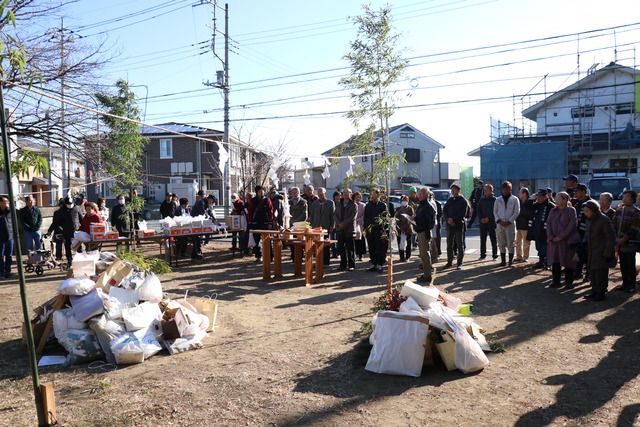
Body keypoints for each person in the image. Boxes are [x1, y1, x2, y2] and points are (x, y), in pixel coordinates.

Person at [583, 200, 616, 301]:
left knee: (600, 272)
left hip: (601, 251)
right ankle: (594, 290)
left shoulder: (604, 220)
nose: (585, 213)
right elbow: (586, 233)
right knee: (592, 271)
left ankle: (601, 292)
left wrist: (607, 253)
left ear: (593, 211)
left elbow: (611, 237)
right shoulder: (589, 219)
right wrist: (584, 243)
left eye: (587, 211)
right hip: (592, 251)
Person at [546, 192, 580, 289]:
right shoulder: (553, 211)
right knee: (555, 260)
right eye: (556, 198)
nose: (556, 201)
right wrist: (551, 236)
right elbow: (548, 223)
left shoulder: (571, 210)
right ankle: (555, 280)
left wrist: (561, 237)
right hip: (554, 241)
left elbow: (572, 225)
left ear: (565, 200)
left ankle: (569, 281)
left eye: (559, 199)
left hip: (566, 241)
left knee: (569, 261)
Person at [612, 190, 640, 293]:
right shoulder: (619, 210)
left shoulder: (636, 212)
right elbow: (613, 224)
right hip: (619, 242)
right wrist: (615, 237)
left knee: (630, 264)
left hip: (629, 243)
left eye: (627, 197)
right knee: (623, 264)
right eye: (623, 197)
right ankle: (625, 283)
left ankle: (631, 285)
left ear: (632, 199)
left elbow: (635, 228)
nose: (624, 199)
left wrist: (624, 238)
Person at [493, 181, 520, 267]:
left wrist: (509, 221)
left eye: (506, 189)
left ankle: (510, 262)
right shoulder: (498, 200)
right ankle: (503, 261)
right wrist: (498, 220)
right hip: (500, 224)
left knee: (511, 243)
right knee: (501, 243)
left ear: (510, 189)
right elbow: (495, 211)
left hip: (510, 224)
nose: (505, 191)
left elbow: (517, 211)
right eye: (503, 189)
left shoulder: (515, 199)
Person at [443, 184, 469, 269]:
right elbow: (444, 211)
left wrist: (453, 220)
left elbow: (463, 214)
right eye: (452, 190)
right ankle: (449, 262)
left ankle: (459, 263)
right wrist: (448, 219)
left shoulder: (463, 201)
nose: (452, 191)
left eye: (454, 189)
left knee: (459, 244)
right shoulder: (450, 200)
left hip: (458, 225)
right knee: (449, 245)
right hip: (449, 225)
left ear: (459, 190)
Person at [529, 189, 555, 269]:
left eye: (540, 197)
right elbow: (527, 207)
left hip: (545, 230)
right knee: (539, 247)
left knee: (546, 247)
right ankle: (540, 262)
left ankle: (547, 263)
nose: (538, 198)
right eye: (538, 197)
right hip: (537, 228)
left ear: (545, 197)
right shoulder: (537, 205)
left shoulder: (551, 206)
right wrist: (531, 199)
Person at [414, 188, 436, 282]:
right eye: (419, 193)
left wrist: (415, 220)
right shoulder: (421, 205)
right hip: (420, 231)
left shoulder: (427, 206)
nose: (420, 195)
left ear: (427, 195)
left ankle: (427, 275)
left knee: (425, 254)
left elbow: (428, 221)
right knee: (422, 254)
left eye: (422, 193)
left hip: (424, 231)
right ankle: (426, 273)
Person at [571, 183, 592, 281]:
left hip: (586, 232)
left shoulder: (590, 202)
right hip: (576, 232)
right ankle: (577, 272)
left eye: (577, 191)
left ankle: (588, 274)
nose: (575, 193)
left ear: (583, 192)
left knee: (587, 254)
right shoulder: (576, 202)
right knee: (578, 253)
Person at [247, 186, 274, 262]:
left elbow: (270, 211)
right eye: (260, 191)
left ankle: (270, 256)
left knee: (267, 240)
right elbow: (250, 211)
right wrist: (250, 222)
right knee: (256, 240)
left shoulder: (267, 200)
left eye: (263, 191)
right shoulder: (253, 200)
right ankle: (258, 256)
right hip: (256, 222)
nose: (261, 192)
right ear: (256, 192)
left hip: (265, 222)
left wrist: (270, 222)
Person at [364, 189, 388, 273]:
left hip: (379, 230)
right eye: (371, 194)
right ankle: (373, 263)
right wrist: (365, 229)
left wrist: (384, 230)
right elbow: (366, 217)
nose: (372, 196)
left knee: (379, 247)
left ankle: (380, 264)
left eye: (373, 194)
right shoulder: (368, 205)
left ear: (378, 195)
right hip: (370, 230)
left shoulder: (382, 205)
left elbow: (385, 219)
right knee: (371, 247)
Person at [309, 187, 335, 266]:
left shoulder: (330, 203)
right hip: (316, 227)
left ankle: (326, 262)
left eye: (321, 192)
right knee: (317, 244)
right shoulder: (314, 203)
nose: (320, 194)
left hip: (326, 226)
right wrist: (311, 226)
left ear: (325, 193)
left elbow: (333, 215)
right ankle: (318, 261)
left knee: (326, 245)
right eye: (318, 192)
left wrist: (332, 225)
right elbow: (312, 215)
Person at [334, 188, 357, 271]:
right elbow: (335, 215)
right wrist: (339, 224)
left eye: (348, 192)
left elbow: (352, 217)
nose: (346, 194)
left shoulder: (354, 204)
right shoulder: (339, 204)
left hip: (349, 229)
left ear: (351, 194)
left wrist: (343, 224)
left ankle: (351, 265)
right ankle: (342, 265)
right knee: (341, 248)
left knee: (350, 248)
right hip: (339, 229)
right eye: (344, 192)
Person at [59, 196, 84, 266]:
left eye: (70, 203)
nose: (69, 204)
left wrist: (83, 228)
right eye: (68, 203)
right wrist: (62, 228)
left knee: (79, 247)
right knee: (67, 247)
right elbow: (59, 221)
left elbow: (81, 218)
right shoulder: (62, 210)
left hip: (76, 231)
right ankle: (69, 261)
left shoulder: (77, 208)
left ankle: (81, 260)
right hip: (67, 231)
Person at [477, 183, 497, 260]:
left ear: (491, 190)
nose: (485, 191)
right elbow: (478, 211)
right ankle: (482, 255)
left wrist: (489, 218)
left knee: (493, 239)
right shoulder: (481, 200)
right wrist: (481, 218)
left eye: (486, 190)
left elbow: (496, 211)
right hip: (483, 222)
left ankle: (494, 255)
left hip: (492, 222)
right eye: (484, 190)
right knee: (482, 239)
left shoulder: (495, 200)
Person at [514, 188, 534, 263]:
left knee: (526, 242)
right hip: (519, 224)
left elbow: (528, 213)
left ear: (524, 193)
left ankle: (525, 257)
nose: (519, 193)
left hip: (525, 224)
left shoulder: (530, 201)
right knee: (518, 242)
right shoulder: (519, 201)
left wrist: (519, 212)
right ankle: (519, 256)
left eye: (520, 192)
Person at [394, 195, 414, 262]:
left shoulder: (410, 209)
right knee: (400, 243)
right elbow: (396, 219)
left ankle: (407, 257)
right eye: (403, 200)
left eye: (405, 200)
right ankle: (401, 257)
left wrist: (405, 227)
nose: (404, 202)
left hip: (408, 229)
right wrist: (400, 227)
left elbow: (410, 219)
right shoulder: (398, 209)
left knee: (408, 244)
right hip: (399, 229)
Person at [0, 196, 14, 278]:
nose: (7, 203)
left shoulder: (9, 212)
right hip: (1, 238)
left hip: (10, 237)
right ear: (0, 203)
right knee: (1, 256)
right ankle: (1, 272)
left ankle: (8, 271)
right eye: (5, 201)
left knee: (9, 256)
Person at [353, 191, 367, 261]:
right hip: (352, 225)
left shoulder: (363, 205)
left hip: (361, 225)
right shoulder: (352, 205)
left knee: (361, 240)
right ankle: (354, 254)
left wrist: (359, 220)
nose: (358, 199)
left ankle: (361, 255)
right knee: (354, 240)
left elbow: (365, 215)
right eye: (356, 197)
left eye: (359, 197)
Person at [331, 191, 342, 259]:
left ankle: (338, 253)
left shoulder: (341, 204)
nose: (338, 197)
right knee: (332, 239)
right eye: (337, 196)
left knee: (339, 239)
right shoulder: (332, 203)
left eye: (339, 196)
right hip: (332, 223)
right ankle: (333, 253)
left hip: (339, 224)